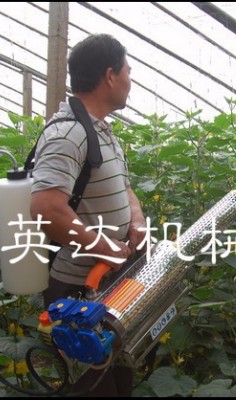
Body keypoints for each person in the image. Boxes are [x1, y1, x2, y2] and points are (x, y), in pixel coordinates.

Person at [30, 33, 146, 397]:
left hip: (107, 284)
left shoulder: (101, 131)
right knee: (93, 386)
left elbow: (124, 187)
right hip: (77, 293)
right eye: (128, 71)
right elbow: (47, 210)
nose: (130, 80)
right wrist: (105, 247)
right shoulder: (69, 133)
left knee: (119, 377)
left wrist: (136, 219)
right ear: (110, 76)